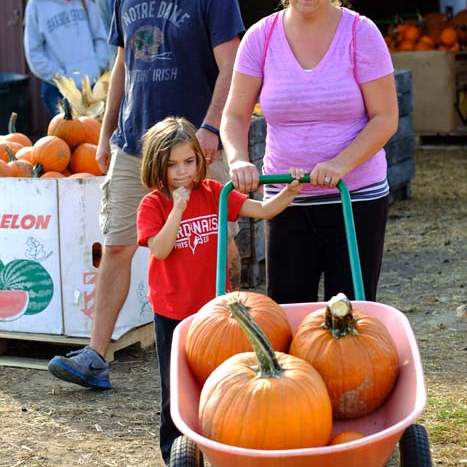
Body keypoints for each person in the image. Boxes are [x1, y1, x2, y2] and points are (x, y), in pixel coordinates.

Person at [47, 0, 244, 391]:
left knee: (219, 247)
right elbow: (123, 64)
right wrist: (106, 132)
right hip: (134, 145)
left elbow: (233, 65)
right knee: (117, 244)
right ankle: (96, 356)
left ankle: (228, 349)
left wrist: (210, 126)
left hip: (193, 148)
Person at [136, 116, 304, 464]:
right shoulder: (153, 205)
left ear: (200, 159)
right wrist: (177, 209)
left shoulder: (214, 192)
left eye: (189, 161)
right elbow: (161, 249)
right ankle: (175, 451)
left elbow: (261, 210)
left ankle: (220, 441)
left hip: (215, 312)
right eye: (172, 165)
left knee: (222, 381)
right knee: (177, 386)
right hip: (173, 311)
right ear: (157, 166)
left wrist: (288, 192)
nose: (182, 172)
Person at [221, 0, 399, 304]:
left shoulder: (361, 33)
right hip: (286, 199)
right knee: (286, 312)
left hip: (354, 197)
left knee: (349, 314)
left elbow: (385, 118)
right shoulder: (261, 36)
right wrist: (238, 159)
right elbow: (235, 116)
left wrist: (341, 164)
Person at [24, 0, 109, 118]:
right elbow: (34, 53)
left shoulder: (85, 2)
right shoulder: (36, 5)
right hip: (58, 90)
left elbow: (100, 37)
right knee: (67, 133)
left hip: (92, 88)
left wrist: (96, 67)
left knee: (95, 133)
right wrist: (63, 79)